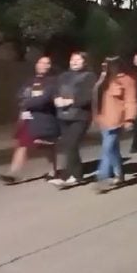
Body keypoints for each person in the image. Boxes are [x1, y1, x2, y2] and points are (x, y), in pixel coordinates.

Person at [0, 56, 59, 184]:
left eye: (47, 63)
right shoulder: (29, 81)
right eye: (41, 62)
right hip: (28, 119)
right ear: (36, 64)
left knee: (46, 146)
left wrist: (27, 103)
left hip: (43, 119)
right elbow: (20, 96)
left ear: (50, 66)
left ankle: (53, 170)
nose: (43, 65)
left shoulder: (52, 82)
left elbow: (44, 100)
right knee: (22, 144)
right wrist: (26, 103)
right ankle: (13, 173)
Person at [49, 52, 97, 188]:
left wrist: (71, 101)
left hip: (80, 115)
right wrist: (56, 98)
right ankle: (70, 175)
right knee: (67, 145)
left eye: (78, 59)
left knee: (71, 143)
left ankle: (73, 176)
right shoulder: (63, 76)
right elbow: (55, 90)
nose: (74, 62)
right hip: (63, 115)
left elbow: (89, 96)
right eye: (72, 59)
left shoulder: (90, 76)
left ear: (85, 62)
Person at [93, 56, 137, 193]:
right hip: (103, 119)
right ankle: (119, 174)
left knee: (107, 147)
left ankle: (102, 177)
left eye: (110, 64)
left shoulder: (127, 80)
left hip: (116, 120)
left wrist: (130, 119)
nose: (107, 67)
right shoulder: (103, 79)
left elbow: (131, 100)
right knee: (112, 149)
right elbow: (95, 96)